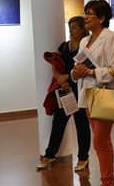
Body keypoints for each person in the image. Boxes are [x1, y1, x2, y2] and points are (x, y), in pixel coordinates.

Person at [71, 0, 114, 186]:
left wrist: (92, 71)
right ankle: (106, 185)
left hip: (104, 95)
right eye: (85, 13)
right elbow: (78, 70)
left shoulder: (112, 39)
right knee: (100, 143)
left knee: (101, 143)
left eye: (90, 14)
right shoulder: (85, 41)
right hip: (87, 96)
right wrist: (75, 73)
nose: (85, 17)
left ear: (102, 18)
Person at [37, 16, 91, 171]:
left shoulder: (85, 47)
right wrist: (61, 79)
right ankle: (49, 154)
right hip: (65, 91)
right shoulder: (64, 46)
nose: (71, 31)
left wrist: (66, 77)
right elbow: (56, 63)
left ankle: (83, 158)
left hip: (80, 89)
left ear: (82, 29)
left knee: (82, 125)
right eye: (70, 28)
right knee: (58, 123)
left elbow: (82, 70)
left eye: (74, 28)